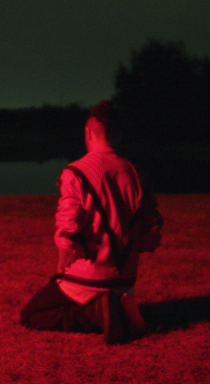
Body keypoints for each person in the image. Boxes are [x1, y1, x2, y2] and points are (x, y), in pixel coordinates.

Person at [20, 101, 162, 344]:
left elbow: (68, 226)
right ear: (118, 135)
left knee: (31, 314)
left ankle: (93, 313)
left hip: (86, 278)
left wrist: (62, 264)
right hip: (124, 279)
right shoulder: (136, 173)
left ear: (87, 134)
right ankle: (119, 306)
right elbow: (151, 228)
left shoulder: (75, 173)